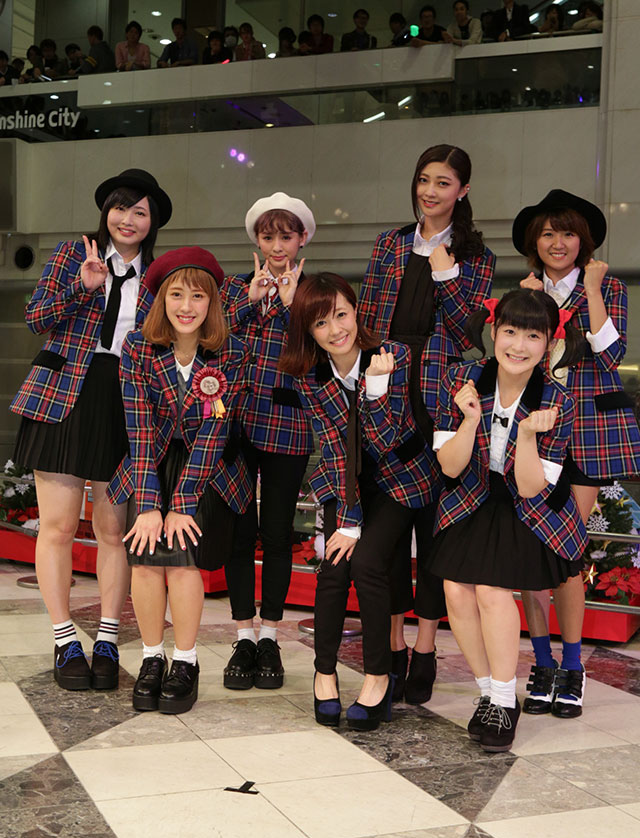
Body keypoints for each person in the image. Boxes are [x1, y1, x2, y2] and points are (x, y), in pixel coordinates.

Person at [10, 169, 171, 691]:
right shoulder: (71, 255)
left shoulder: (159, 277)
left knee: (111, 531)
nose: (128, 219)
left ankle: (106, 638)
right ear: (106, 212)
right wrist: (82, 286)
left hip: (124, 401)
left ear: (152, 223)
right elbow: (36, 318)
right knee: (56, 527)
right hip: (63, 394)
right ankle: (64, 639)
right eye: (121, 208)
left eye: (140, 212)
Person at [359, 144, 496, 704]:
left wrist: (447, 274)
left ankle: (424, 648)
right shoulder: (389, 243)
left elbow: (469, 333)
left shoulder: (476, 255)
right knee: (388, 525)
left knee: (437, 530)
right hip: (389, 388)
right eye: (424, 180)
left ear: (462, 191)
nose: (430, 191)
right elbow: (367, 320)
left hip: (440, 397)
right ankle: (392, 644)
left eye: (443, 182)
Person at [512, 191, 640, 717]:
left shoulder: (608, 287)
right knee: (532, 549)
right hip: (536, 429)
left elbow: (611, 355)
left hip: (589, 432)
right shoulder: (526, 291)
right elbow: (510, 358)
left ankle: (572, 664)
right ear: (534, 242)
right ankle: (542, 662)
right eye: (548, 233)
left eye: (567, 233)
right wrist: (525, 304)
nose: (558, 242)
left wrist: (591, 289)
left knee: (568, 550)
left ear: (583, 241)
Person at [280, 274, 438, 731]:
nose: (335, 330)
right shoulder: (310, 378)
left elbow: (386, 441)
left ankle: (378, 678)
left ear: (356, 311)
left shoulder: (393, 356)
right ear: (308, 331)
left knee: (367, 563)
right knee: (333, 566)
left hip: (402, 480)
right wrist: (347, 521)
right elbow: (334, 448)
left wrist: (376, 388)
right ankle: (324, 674)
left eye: (341, 315)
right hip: (346, 481)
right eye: (320, 323)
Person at [432, 289, 587, 752]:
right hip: (473, 498)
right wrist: (469, 420)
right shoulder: (461, 380)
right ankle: (490, 694)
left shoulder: (557, 400)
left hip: (530, 508)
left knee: (492, 589)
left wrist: (526, 435)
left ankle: (503, 701)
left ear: (549, 344)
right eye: (511, 331)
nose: (519, 346)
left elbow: (530, 487)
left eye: (533, 336)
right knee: (455, 589)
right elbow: (451, 467)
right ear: (494, 332)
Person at [109, 247, 250, 714]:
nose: (186, 306)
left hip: (206, 468)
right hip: (149, 460)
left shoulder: (231, 353)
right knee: (146, 558)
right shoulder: (137, 348)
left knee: (184, 558)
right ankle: (152, 658)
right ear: (160, 299)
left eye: (197, 296)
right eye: (176, 295)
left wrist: (183, 502)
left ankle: (186, 661)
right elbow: (138, 427)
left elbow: (214, 431)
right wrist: (151, 504)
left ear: (212, 302)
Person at [220, 193, 315, 690]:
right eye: (268, 236)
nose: (277, 246)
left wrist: (296, 305)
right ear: (256, 240)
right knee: (239, 532)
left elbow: (327, 352)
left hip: (288, 426)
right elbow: (210, 336)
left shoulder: (314, 293)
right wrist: (250, 300)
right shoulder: (234, 288)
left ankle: (271, 637)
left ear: (302, 240)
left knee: (277, 533)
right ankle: (242, 635)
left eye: (286, 236)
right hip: (234, 426)